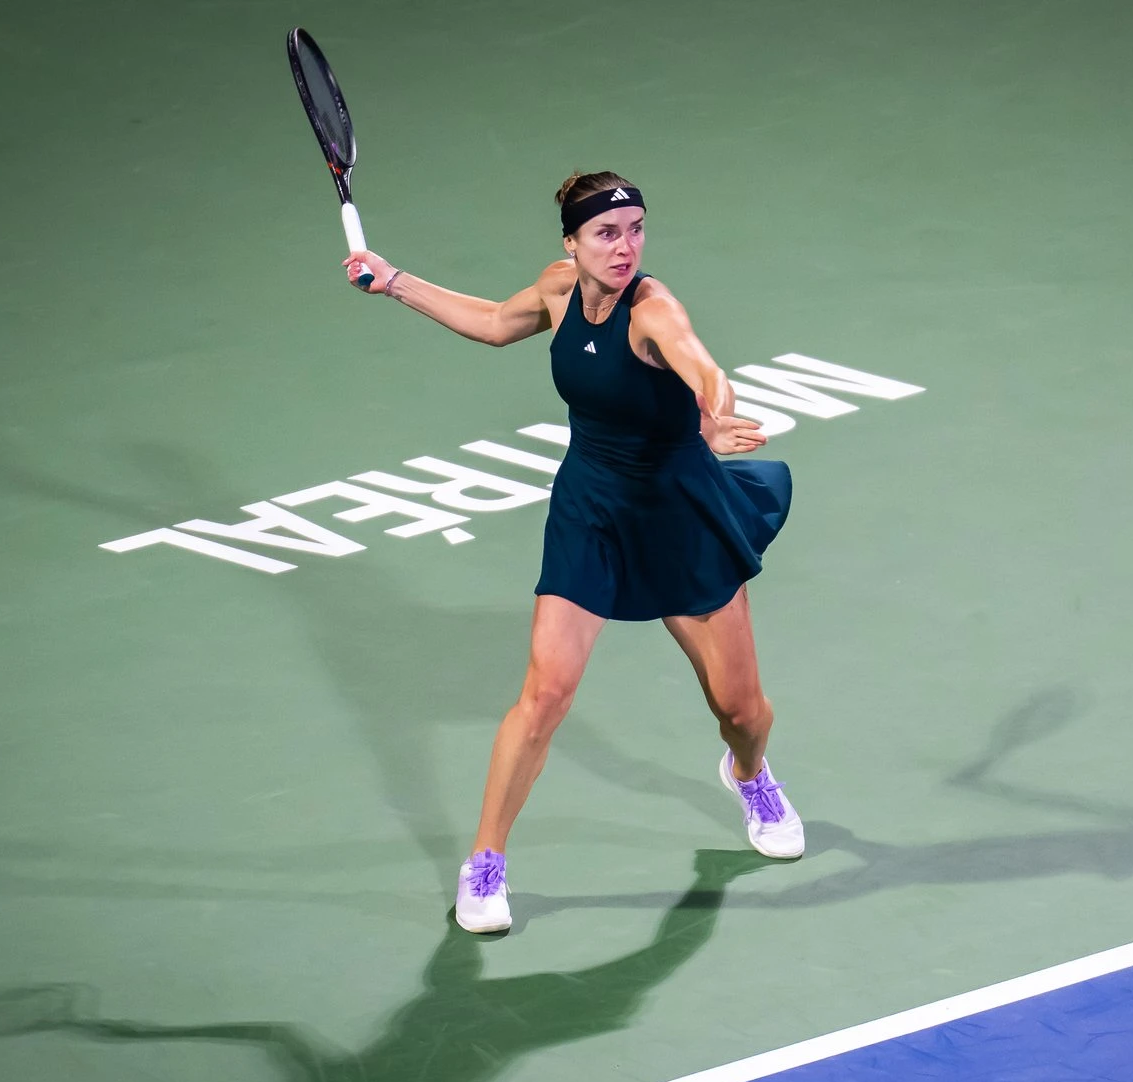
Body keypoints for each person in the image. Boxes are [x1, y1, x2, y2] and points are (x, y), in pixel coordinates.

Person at [342, 171, 804, 933]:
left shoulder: (654, 311)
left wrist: (715, 417)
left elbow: (706, 371)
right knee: (545, 695)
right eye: (606, 233)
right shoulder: (558, 290)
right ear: (572, 243)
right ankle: (485, 862)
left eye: (636, 230)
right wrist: (395, 282)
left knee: (740, 710)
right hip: (590, 512)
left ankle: (749, 774)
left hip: (679, 516)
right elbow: (496, 322)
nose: (625, 247)